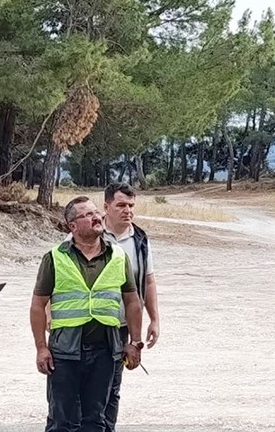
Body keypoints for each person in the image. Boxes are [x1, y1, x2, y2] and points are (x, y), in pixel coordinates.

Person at [30, 196, 143, 432]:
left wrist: (134, 341)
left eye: (96, 213)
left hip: (105, 350)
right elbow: (38, 305)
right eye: (87, 215)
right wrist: (41, 347)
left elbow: (132, 301)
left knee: (96, 421)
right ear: (73, 226)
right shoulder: (55, 257)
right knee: (62, 420)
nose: (97, 217)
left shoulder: (118, 255)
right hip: (65, 353)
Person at [102, 182, 160, 432]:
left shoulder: (140, 239)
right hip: (91, 325)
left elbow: (148, 280)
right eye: (121, 205)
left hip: (122, 326)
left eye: (131, 206)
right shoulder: (89, 234)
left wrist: (154, 319)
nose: (128, 211)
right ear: (106, 207)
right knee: (91, 388)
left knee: (113, 388)